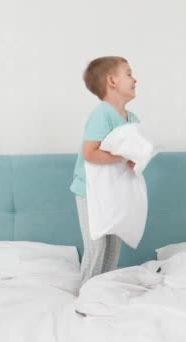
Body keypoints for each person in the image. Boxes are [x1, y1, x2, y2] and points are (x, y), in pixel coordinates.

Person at [70, 56, 139, 285]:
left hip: (115, 191)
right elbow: (90, 153)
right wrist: (121, 156)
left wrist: (134, 160)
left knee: (113, 244)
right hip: (91, 191)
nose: (135, 79)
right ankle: (84, 291)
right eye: (128, 74)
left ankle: (102, 288)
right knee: (97, 243)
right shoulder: (102, 114)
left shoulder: (133, 119)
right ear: (112, 81)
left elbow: (132, 154)